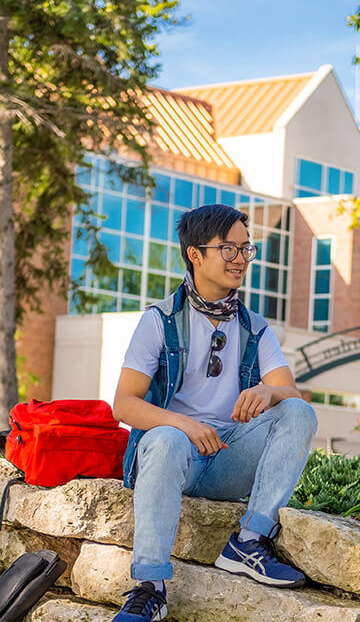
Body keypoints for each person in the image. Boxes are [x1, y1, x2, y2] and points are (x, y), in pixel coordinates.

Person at [110, 204, 318, 622]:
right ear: (195, 254)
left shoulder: (255, 328)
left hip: (228, 459)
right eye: (228, 249)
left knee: (297, 411)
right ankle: (150, 587)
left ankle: (249, 540)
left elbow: (291, 392)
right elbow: (125, 404)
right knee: (167, 437)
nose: (240, 259)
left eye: (246, 249)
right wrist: (185, 425)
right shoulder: (159, 320)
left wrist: (267, 391)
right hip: (172, 457)